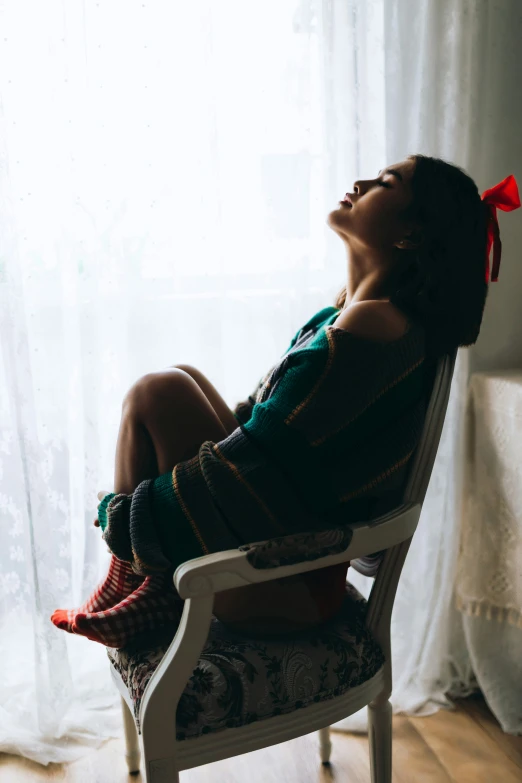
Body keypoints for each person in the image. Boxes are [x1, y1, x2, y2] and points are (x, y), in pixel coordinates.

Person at [51, 155, 520, 647]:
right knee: (179, 379)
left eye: (385, 183)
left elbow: (261, 469)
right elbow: (263, 439)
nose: (359, 182)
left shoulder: (372, 329)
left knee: (159, 391)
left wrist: (130, 525)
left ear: (410, 236)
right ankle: (146, 579)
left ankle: (139, 574)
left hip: (282, 584)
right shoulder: (346, 319)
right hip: (284, 564)